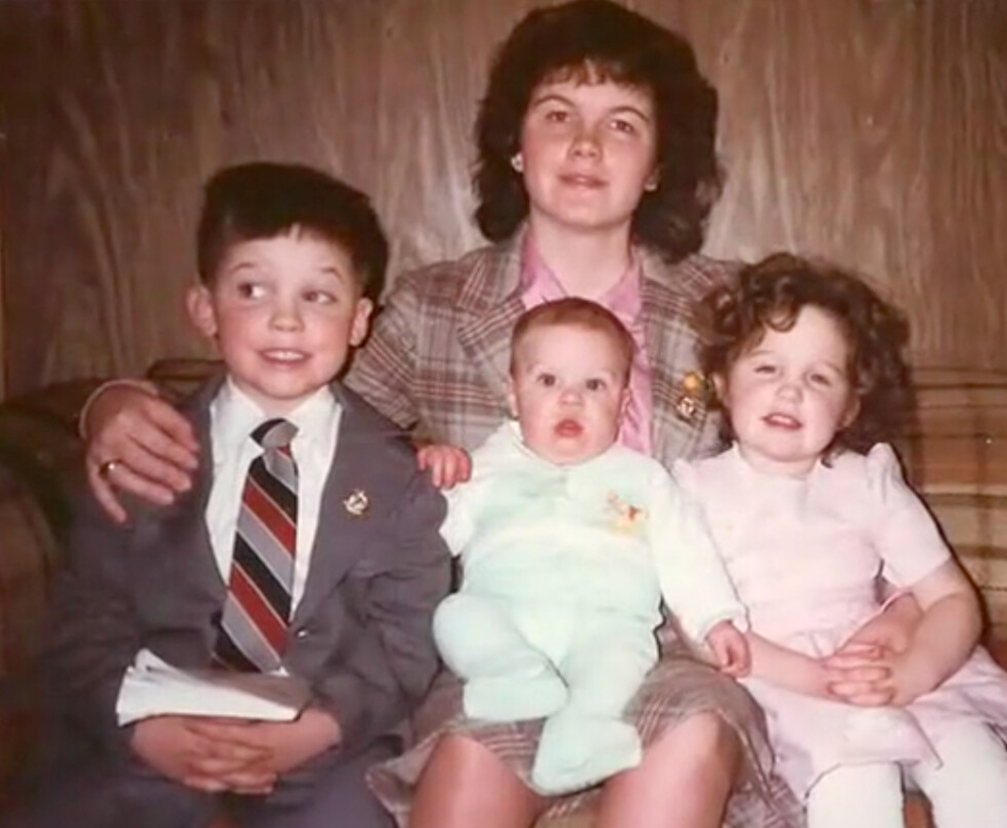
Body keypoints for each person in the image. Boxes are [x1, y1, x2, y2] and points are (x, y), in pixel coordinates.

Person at [77, 2, 914, 826]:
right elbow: (284, 404)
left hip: (666, 647)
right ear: (515, 145)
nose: (586, 144)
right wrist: (109, 404)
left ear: (659, 164)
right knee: (473, 758)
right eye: (557, 114)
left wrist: (893, 611)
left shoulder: (726, 309)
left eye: (622, 123)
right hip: (497, 646)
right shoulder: (433, 307)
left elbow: (838, 428)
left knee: (689, 738)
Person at [5, 162, 451, 828]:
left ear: (360, 320)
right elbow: (85, 614)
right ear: (203, 308)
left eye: (318, 296)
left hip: (320, 754)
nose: (286, 320)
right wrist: (142, 730)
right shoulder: (140, 449)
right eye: (252, 289)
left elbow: (405, 638)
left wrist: (319, 727)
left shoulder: (398, 479)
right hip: (152, 741)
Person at [674, 252, 1007, 828]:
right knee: (855, 783)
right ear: (723, 383)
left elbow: (954, 600)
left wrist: (913, 671)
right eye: (767, 368)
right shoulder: (692, 491)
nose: (790, 391)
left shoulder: (867, 481)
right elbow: (704, 630)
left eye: (819, 377)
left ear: (850, 406)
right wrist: (818, 679)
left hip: (897, 667)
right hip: (784, 682)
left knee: (981, 773)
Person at [423, 297, 749, 795]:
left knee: (618, 663)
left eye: (594, 385)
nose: (571, 399)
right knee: (454, 615)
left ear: (623, 402)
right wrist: (433, 485)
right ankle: (513, 674)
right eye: (548, 381)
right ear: (513, 394)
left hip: (608, 623)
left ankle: (580, 734)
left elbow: (686, 554)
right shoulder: (484, 467)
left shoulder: (643, 478)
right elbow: (433, 539)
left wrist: (715, 619)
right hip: (505, 613)